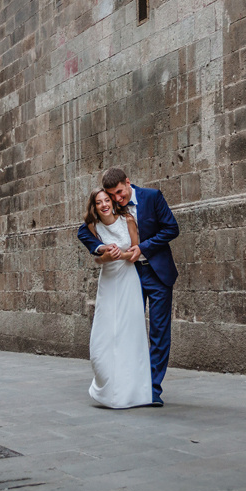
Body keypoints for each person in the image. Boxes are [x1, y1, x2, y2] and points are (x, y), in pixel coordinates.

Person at [78, 167, 179, 407]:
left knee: (159, 331)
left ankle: (152, 390)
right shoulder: (112, 206)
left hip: (156, 273)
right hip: (129, 275)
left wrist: (143, 247)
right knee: (126, 331)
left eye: (120, 193)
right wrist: (100, 249)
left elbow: (171, 228)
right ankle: (130, 384)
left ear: (128, 182)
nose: (117, 199)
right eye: (112, 195)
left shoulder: (152, 196)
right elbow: (86, 229)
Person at [81, 188, 152, 409]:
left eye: (106, 200)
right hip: (108, 282)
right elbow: (97, 261)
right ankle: (106, 388)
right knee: (104, 335)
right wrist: (105, 257)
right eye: (99, 202)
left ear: (112, 202)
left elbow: (135, 253)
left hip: (128, 279)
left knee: (128, 334)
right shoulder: (93, 228)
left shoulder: (127, 220)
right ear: (94, 206)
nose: (104, 204)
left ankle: (132, 392)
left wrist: (118, 255)